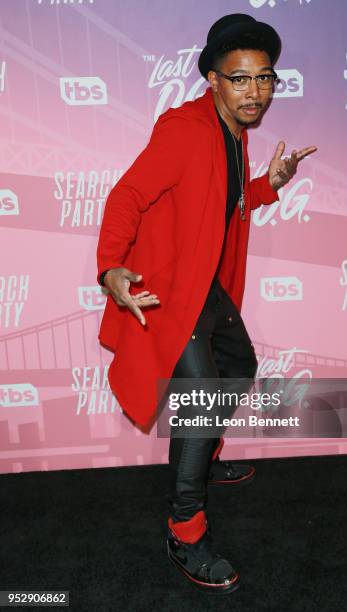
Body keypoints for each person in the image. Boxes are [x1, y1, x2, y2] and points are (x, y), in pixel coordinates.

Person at [96, 13, 317, 594]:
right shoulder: (184, 129)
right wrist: (110, 266)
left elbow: (226, 198)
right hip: (169, 284)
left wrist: (272, 182)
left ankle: (204, 459)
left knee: (238, 367)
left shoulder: (234, 131)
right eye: (239, 79)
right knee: (200, 397)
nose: (255, 91)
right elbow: (128, 194)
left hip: (204, 283)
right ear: (212, 81)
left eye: (264, 78)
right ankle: (184, 528)